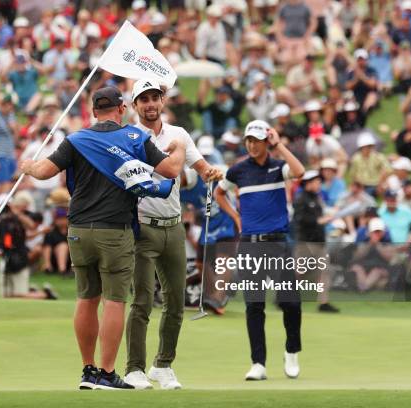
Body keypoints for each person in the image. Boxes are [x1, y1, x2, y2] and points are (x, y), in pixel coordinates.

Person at [19, 86, 186, 390]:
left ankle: (87, 371)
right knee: (114, 300)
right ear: (122, 109)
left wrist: (28, 166)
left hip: (78, 230)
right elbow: (172, 169)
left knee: (86, 298)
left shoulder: (76, 140)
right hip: (115, 230)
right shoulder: (135, 138)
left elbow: (43, 172)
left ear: (94, 111)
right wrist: (180, 149)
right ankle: (107, 374)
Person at [124, 80, 222, 390]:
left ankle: (163, 365)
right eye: (144, 99)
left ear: (163, 101)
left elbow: (202, 167)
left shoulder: (179, 135)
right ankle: (134, 369)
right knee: (141, 301)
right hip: (141, 227)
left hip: (174, 226)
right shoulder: (128, 137)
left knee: (176, 302)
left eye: (155, 98)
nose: (150, 104)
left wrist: (213, 173)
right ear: (135, 105)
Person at [215, 120, 305, 381]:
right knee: (254, 305)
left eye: (258, 140)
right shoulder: (237, 171)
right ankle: (258, 363)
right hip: (250, 245)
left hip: (278, 243)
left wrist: (280, 146)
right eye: (249, 141)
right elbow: (220, 194)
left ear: (267, 142)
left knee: (291, 303)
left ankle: (291, 351)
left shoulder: (278, 167)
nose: (253, 145)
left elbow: (299, 171)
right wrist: (236, 218)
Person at [293, 170, 339, 313]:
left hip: (319, 242)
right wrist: (319, 221)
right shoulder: (301, 198)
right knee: (298, 272)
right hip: (305, 243)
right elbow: (299, 219)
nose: (319, 184)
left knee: (324, 272)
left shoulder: (317, 199)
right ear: (308, 183)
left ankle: (323, 303)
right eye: (316, 181)